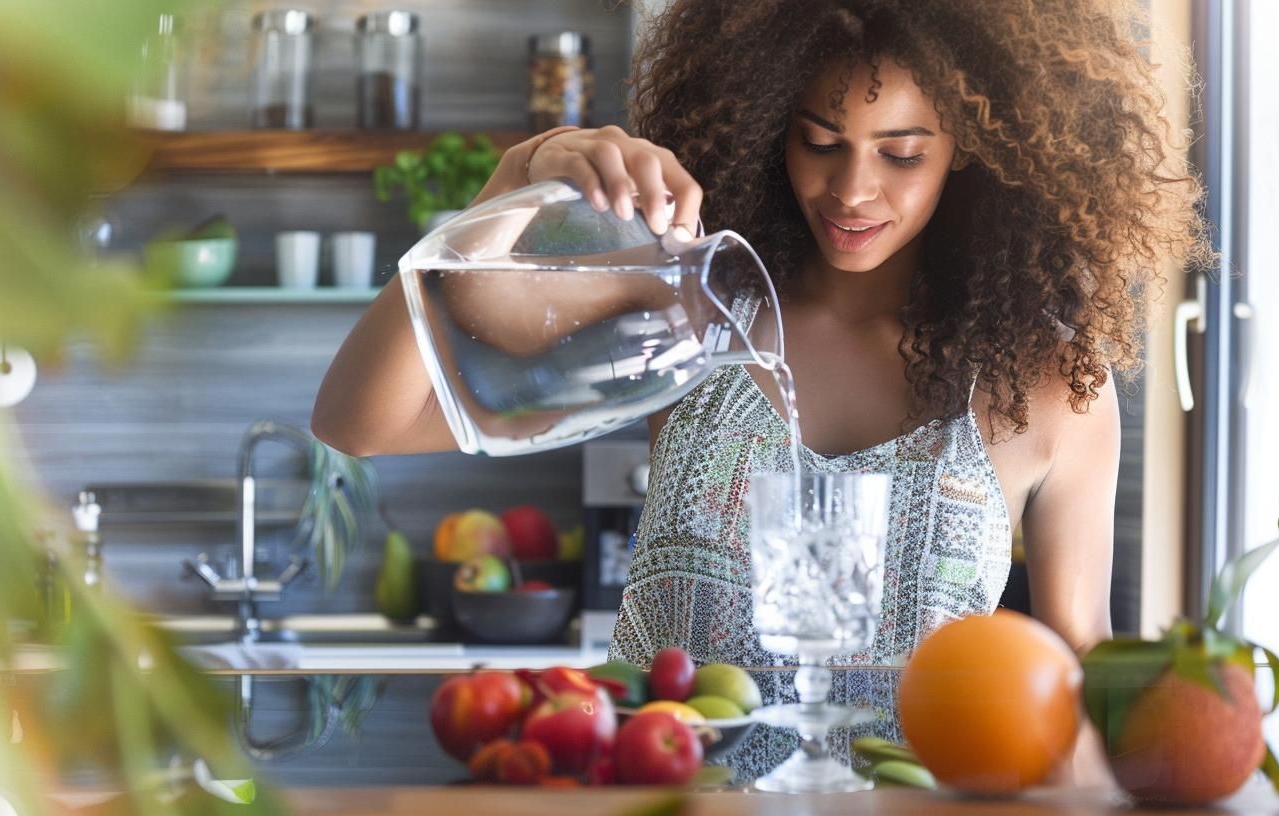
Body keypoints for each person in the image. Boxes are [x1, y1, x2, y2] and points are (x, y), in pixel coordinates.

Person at [313, 0, 1210, 783]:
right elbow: (362, 418)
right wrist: (518, 179)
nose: (852, 189)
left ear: (969, 150)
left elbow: (1075, 659)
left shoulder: (1046, 388)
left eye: (900, 154)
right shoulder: (690, 308)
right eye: (820, 142)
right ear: (771, 123)